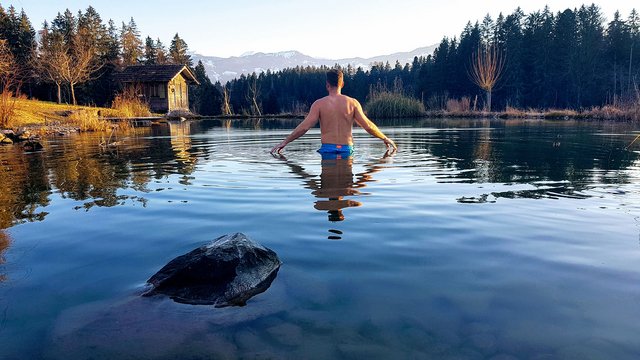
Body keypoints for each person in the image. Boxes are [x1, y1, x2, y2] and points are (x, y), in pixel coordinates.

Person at [270, 69, 397, 156]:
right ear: (342, 84)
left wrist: (285, 142)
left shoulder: (319, 104)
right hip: (347, 150)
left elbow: (304, 127)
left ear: (327, 85)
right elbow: (368, 126)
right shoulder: (353, 103)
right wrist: (385, 138)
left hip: (327, 150)